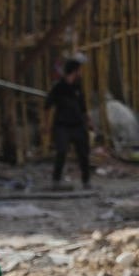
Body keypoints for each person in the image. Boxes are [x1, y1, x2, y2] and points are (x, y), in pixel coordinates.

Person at [46, 58, 93, 189]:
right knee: (61, 152)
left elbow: (83, 107)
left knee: (83, 154)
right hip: (62, 126)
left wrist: (88, 121)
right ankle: (56, 181)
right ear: (75, 71)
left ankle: (86, 181)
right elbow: (48, 106)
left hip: (78, 125)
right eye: (80, 70)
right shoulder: (59, 87)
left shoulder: (78, 86)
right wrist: (45, 126)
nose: (81, 73)